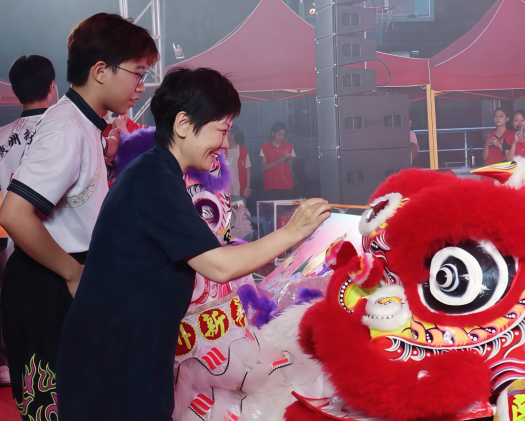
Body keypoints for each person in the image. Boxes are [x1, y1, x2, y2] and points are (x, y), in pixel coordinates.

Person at [55, 67, 330, 421]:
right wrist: (292, 232)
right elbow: (219, 265)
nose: (226, 144)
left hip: (130, 354)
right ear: (184, 124)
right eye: (222, 130)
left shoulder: (158, 173)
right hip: (113, 363)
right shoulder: (153, 180)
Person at [0, 13, 158, 419]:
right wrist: (73, 274)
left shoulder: (87, 123)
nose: (141, 86)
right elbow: (15, 214)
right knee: (56, 406)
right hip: (49, 280)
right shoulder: (65, 127)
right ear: (101, 71)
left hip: (68, 274)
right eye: (138, 73)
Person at [0, 55, 56, 388]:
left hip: (16, 249)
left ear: (16, 91)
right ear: (52, 87)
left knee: (27, 336)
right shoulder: (63, 128)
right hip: (61, 249)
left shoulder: (1, 136)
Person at [260, 122, 295, 200]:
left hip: (286, 185)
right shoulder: (265, 148)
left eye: (283, 135)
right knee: (273, 206)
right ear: (273, 133)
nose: (281, 137)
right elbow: (264, 167)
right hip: (272, 185)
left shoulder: (289, 147)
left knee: (287, 207)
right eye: (279, 134)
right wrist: (278, 161)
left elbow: (290, 168)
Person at [226, 127, 251, 204]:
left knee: (240, 211)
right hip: (225, 192)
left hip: (239, 192)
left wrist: (247, 186)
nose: (224, 134)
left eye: (227, 132)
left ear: (233, 135)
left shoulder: (243, 151)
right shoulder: (221, 151)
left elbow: (247, 170)